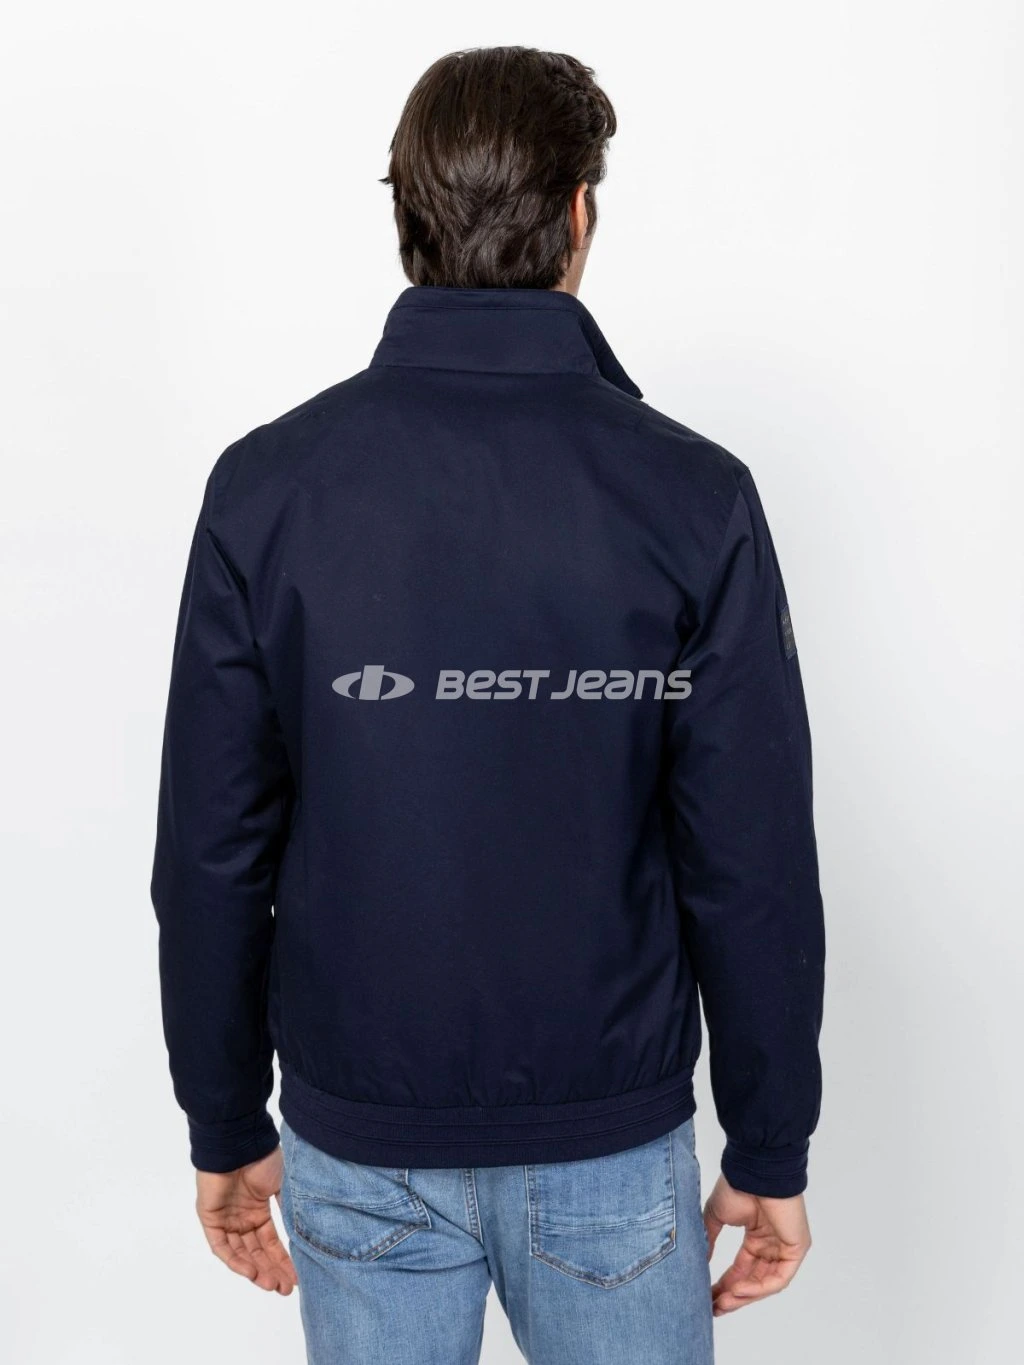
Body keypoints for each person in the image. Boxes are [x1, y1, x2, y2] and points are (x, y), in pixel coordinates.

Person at [151, 45, 826, 1365]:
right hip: (608, 1146)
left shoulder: (268, 488)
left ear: (407, 216)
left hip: (359, 1139)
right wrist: (770, 1143)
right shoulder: (694, 497)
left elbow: (213, 851)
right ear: (579, 213)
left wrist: (224, 1121)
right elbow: (748, 858)